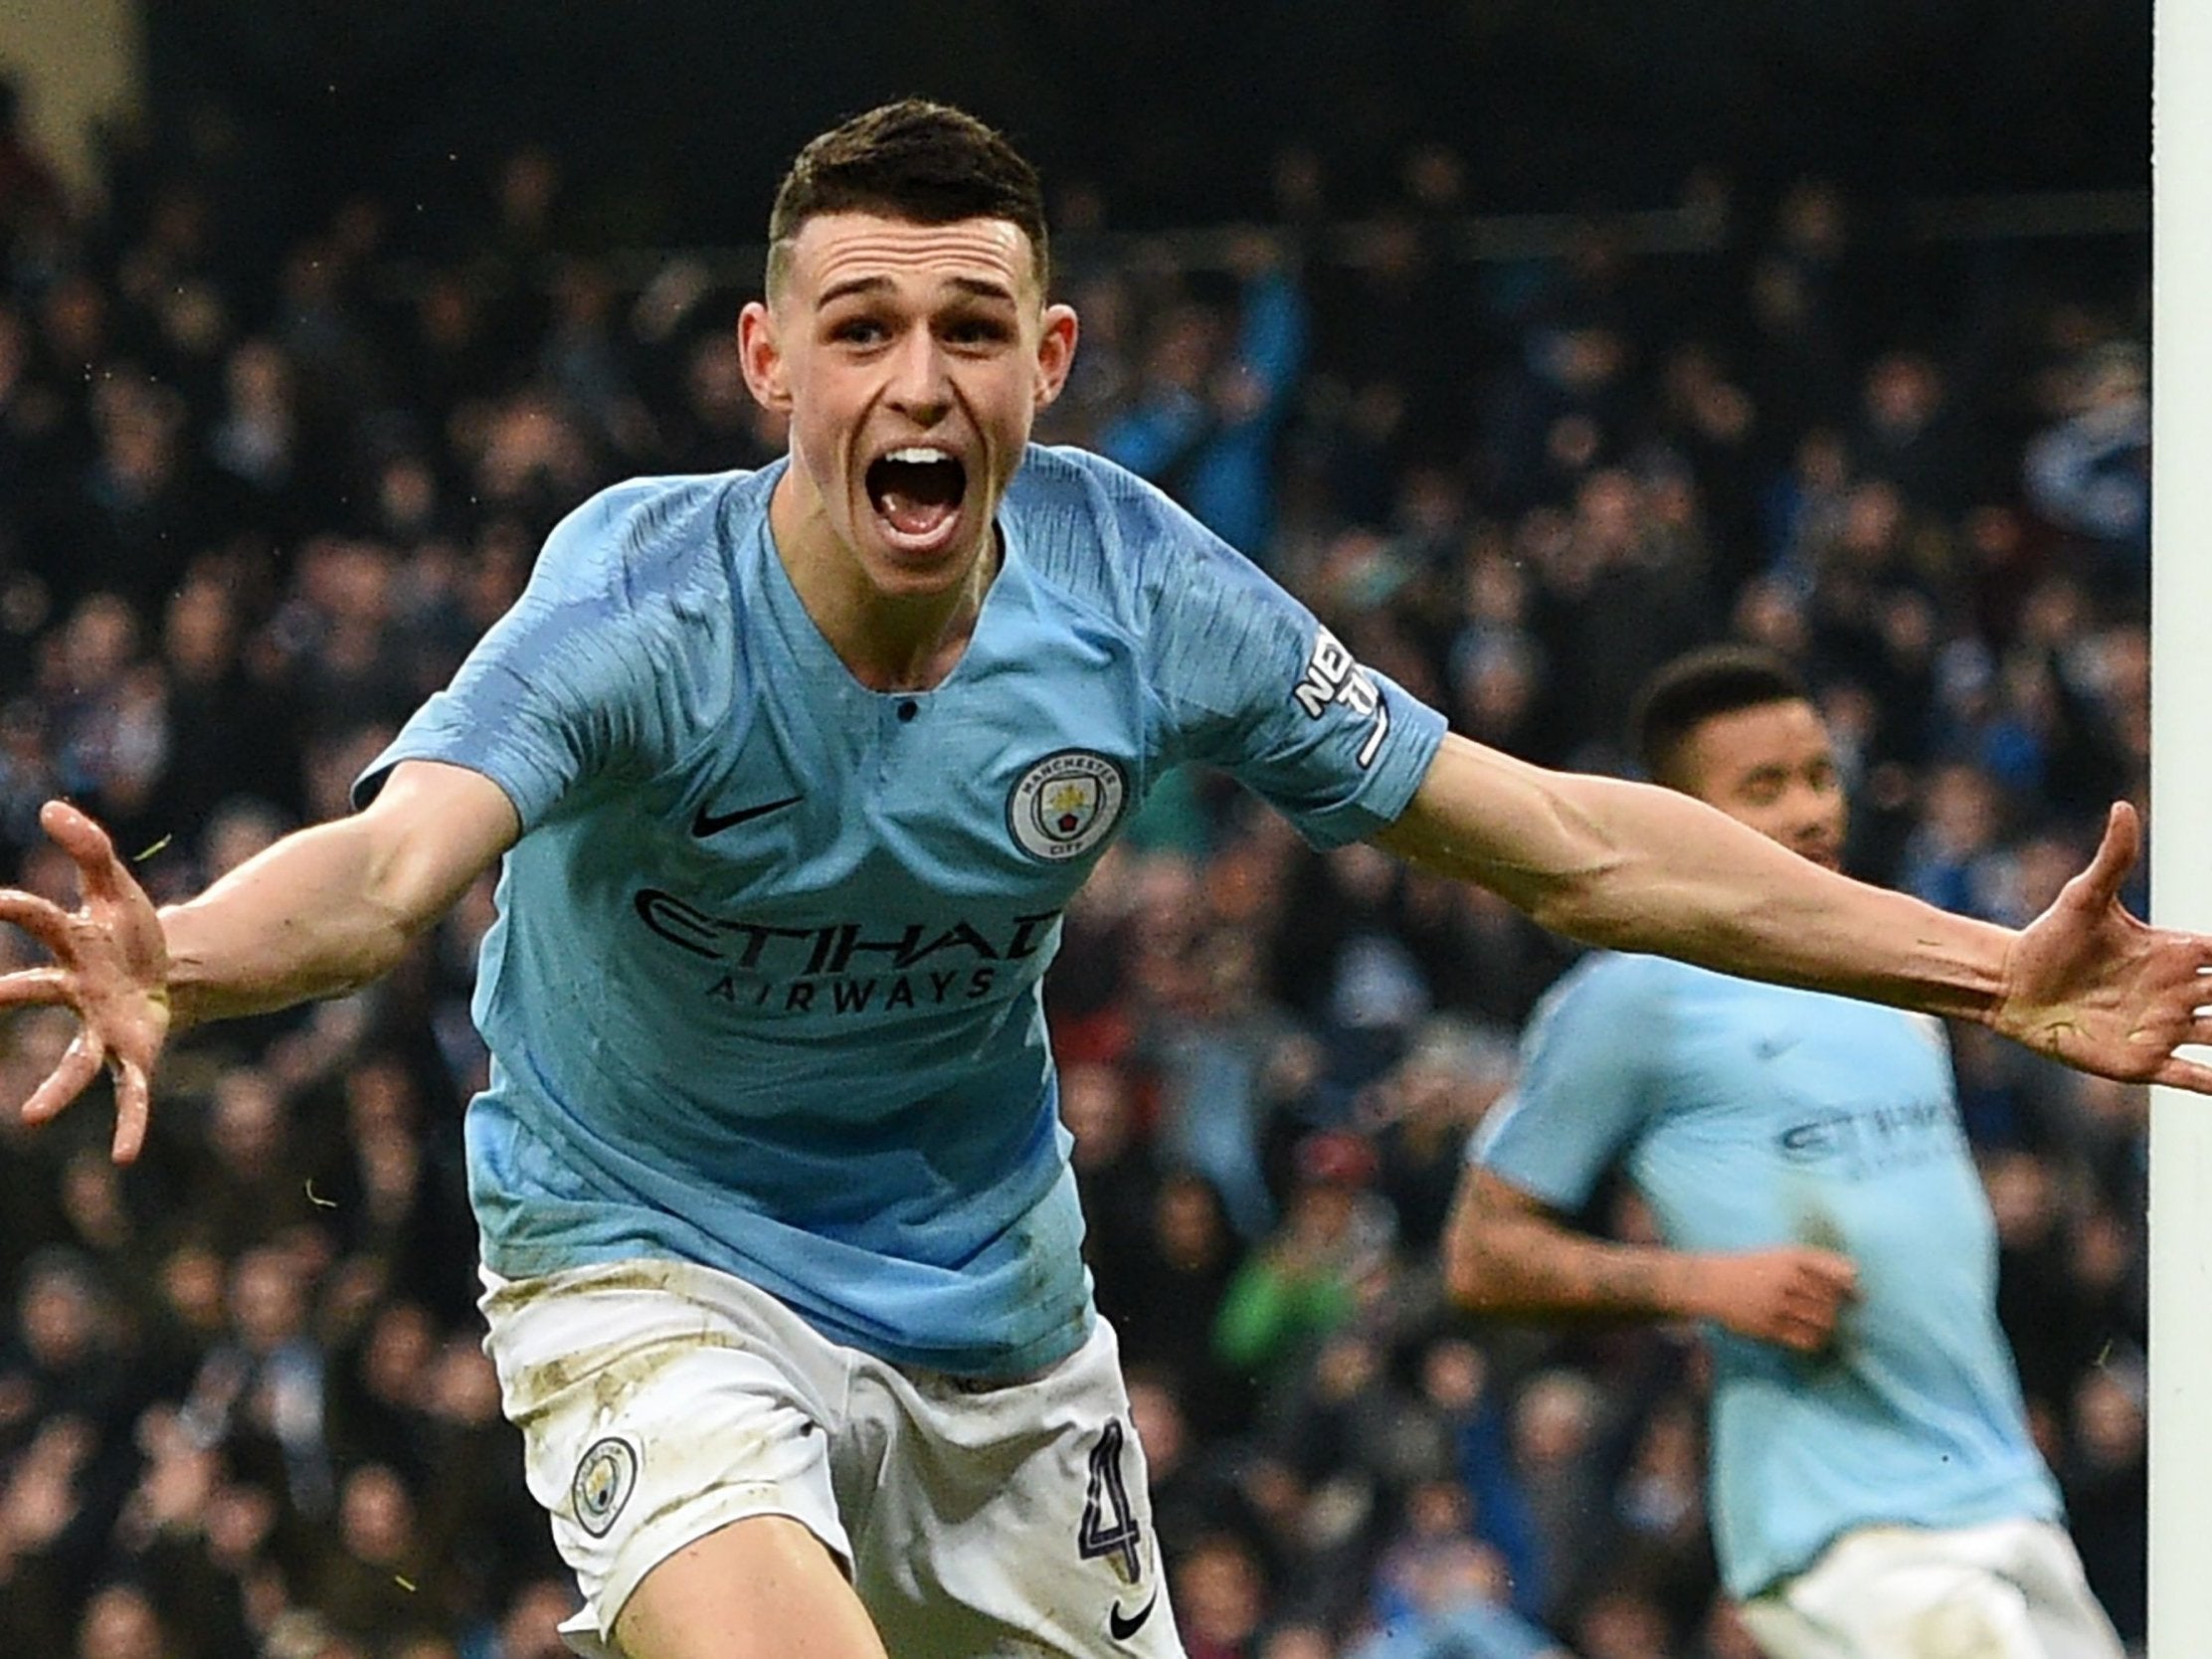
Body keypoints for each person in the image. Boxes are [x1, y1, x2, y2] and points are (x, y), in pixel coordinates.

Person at [0, 102, 2202, 1659]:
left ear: (1046, 367)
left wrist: (1980, 972)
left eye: (969, 326)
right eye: (857, 327)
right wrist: (182, 957)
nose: (915, 375)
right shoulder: (633, 608)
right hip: (644, 1262)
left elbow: (1555, 836)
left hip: (995, 1321)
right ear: (768, 365)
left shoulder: (1136, 589)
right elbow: (395, 875)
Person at [1447, 645, 2126, 1659]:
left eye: (1818, 776)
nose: (1810, 811)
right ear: (1678, 818)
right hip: (1846, 1532)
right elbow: (1482, 1255)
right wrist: (1702, 1283)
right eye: (1762, 788)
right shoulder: (1634, 996)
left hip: (2001, 1500)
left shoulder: (1895, 975)